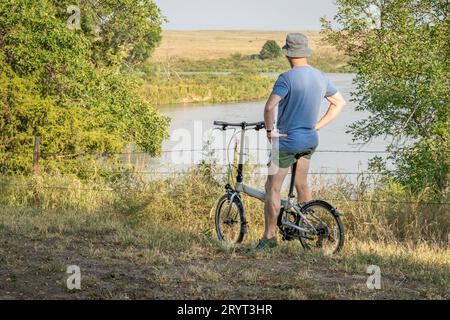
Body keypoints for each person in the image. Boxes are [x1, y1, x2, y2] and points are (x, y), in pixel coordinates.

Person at [257, 33, 346, 250]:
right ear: (305, 53)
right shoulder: (320, 76)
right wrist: (317, 125)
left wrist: (270, 132)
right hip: (309, 140)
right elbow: (339, 103)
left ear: (287, 54)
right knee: (301, 184)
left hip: (287, 141)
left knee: (273, 188)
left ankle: (269, 238)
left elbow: (269, 107)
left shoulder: (286, 78)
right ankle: (307, 228)